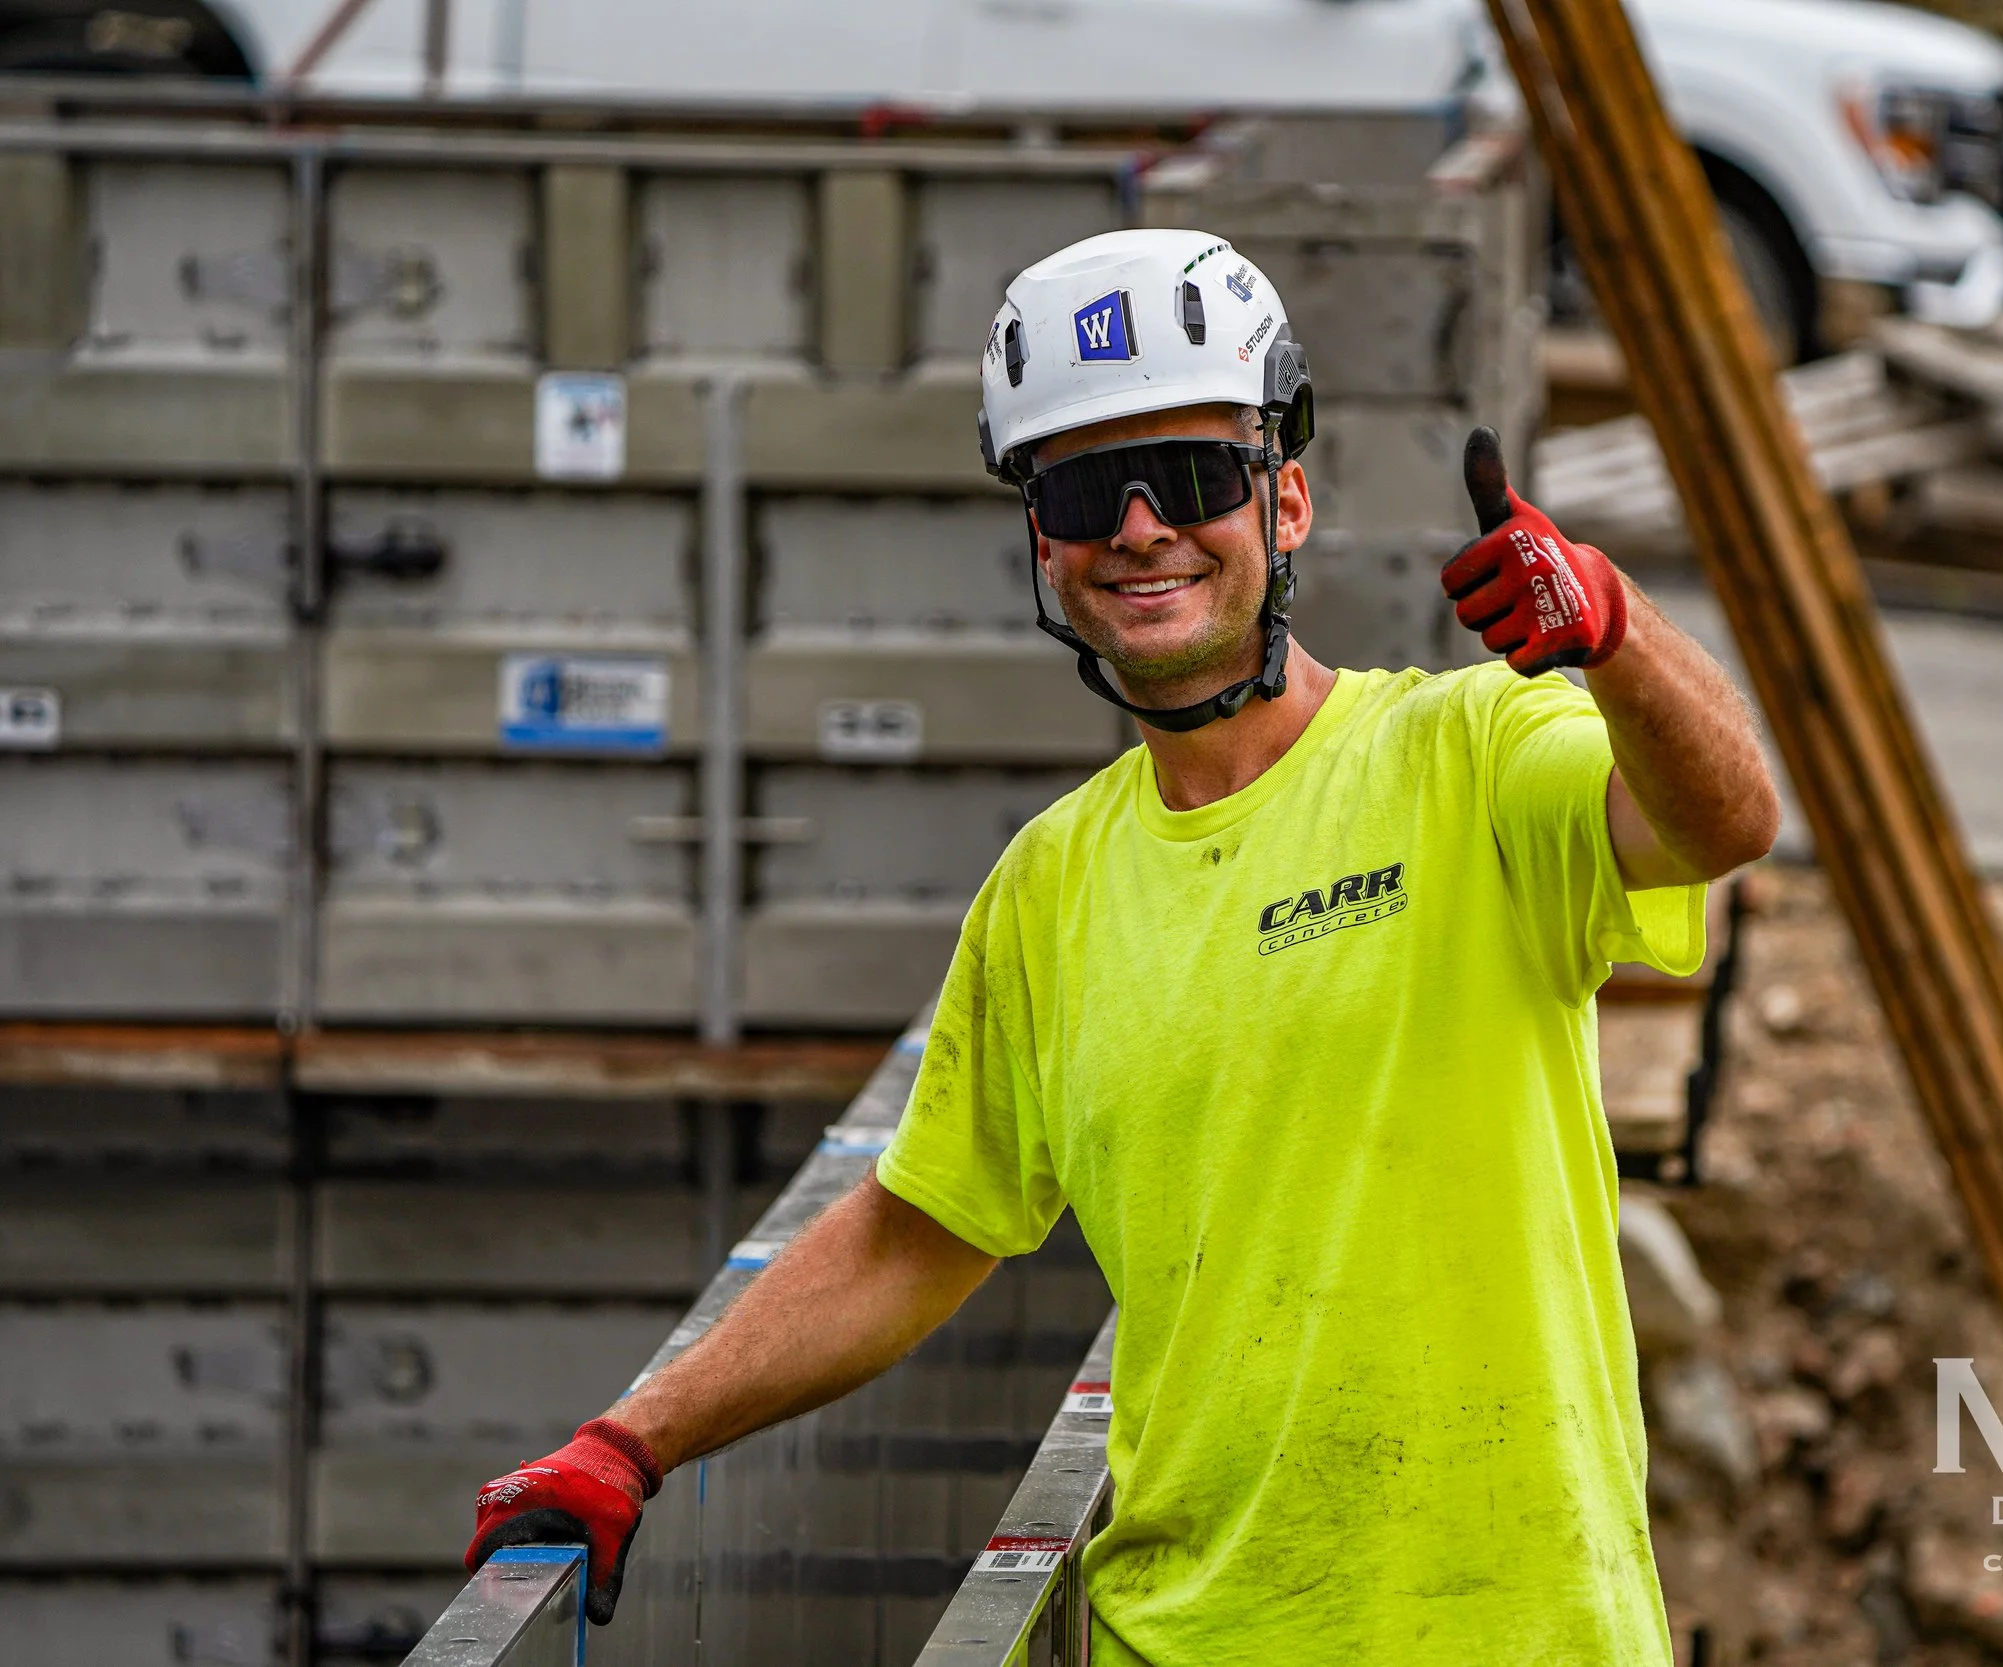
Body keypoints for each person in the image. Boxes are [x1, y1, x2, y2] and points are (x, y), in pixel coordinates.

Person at [464, 227, 1780, 1662]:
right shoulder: (1049, 887)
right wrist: (630, 1441)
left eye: (1197, 477)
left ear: (1285, 502)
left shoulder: (1470, 756)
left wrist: (1613, 632)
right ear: (1047, 542)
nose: (1144, 527)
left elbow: (1721, 818)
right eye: (1091, 489)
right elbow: (920, 1227)